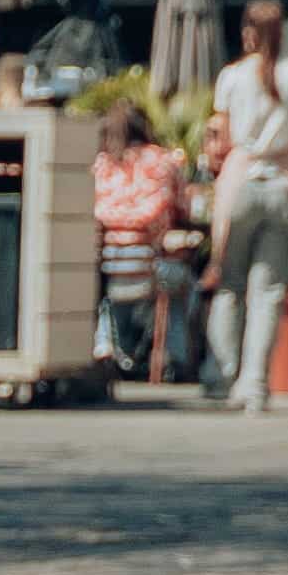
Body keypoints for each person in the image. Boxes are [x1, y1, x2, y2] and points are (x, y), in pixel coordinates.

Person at [194, 0, 288, 409]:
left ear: (247, 33)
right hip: (285, 185)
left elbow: (224, 137)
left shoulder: (231, 77)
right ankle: (254, 386)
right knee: (267, 291)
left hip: (240, 184)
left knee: (229, 283)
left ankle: (220, 376)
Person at [93, 100, 195, 386]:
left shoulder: (101, 165)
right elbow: (182, 209)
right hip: (150, 267)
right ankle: (176, 359)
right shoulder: (163, 161)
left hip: (107, 271)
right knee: (186, 286)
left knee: (100, 296)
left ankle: (105, 348)